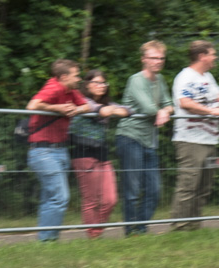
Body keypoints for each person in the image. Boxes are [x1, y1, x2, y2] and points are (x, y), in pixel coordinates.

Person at [170, 40, 219, 231]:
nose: (215, 57)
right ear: (202, 56)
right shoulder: (185, 77)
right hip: (190, 140)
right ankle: (179, 227)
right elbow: (184, 102)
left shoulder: (207, 76)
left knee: (204, 186)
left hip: (210, 140)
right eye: (213, 54)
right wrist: (210, 111)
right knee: (188, 185)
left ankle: (194, 226)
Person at [26, 59, 91, 242]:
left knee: (50, 198)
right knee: (60, 197)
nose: (79, 79)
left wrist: (75, 109)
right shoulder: (54, 88)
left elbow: (88, 105)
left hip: (60, 150)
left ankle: (46, 241)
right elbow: (32, 105)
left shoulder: (71, 91)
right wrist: (57, 108)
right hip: (43, 151)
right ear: (64, 77)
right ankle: (48, 240)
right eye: (76, 75)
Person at [117, 40, 174, 236]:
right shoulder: (136, 80)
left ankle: (140, 228)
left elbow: (169, 103)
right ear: (144, 60)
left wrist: (165, 111)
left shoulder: (160, 81)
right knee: (132, 190)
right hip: (130, 137)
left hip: (149, 141)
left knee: (154, 189)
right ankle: (129, 230)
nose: (158, 61)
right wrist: (161, 111)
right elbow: (148, 108)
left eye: (161, 58)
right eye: (153, 58)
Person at [69, 70, 130, 238]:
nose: (101, 86)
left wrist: (111, 109)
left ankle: (95, 232)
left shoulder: (106, 102)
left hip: (103, 155)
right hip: (83, 154)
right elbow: (100, 111)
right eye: (96, 82)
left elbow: (127, 110)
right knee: (91, 200)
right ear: (87, 85)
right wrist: (109, 110)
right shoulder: (81, 101)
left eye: (103, 83)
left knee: (110, 200)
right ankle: (93, 236)